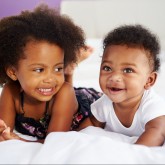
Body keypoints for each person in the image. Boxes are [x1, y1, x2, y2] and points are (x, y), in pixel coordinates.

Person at [0, 4, 100, 143]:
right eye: (39, 70)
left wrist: (19, 140)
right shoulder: (11, 91)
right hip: (62, 96)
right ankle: (68, 69)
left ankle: (69, 68)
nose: (50, 78)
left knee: (66, 89)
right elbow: (4, 132)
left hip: (82, 103)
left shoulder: (64, 92)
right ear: (12, 72)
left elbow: (54, 141)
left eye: (58, 68)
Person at [81, 24, 165, 147]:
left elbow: (158, 132)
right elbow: (91, 124)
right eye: (107, 68)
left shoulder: (152, 105)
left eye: (128, 70)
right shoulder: (105, 103)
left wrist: (131, 155)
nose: (114, 77)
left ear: (149, 80)